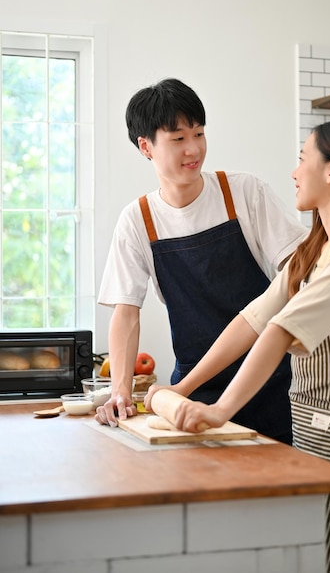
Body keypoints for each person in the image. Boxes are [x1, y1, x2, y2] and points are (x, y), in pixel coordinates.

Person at [145, 120, 330, 573]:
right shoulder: (316, 248)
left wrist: (221, 409)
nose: (294, 172)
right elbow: (251, 320)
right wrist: (183, 388)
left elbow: (281, 330)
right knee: (312, 558)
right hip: (306, 429)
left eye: (303, 159)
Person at [95, 78, 307, 441]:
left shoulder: (243, 192)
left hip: (269, 383)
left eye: (199, 134)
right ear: (145, 147)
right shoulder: (138, 219)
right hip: (191, 394)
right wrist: (121, 391)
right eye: (178, 139)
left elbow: (299, 270)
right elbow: (126, 313)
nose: (193, 149)